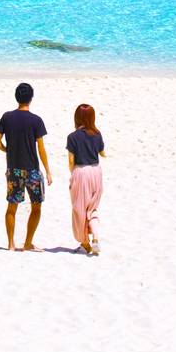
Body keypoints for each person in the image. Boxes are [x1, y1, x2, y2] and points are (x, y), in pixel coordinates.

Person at [0, 81, 53, 251]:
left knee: (12, 206)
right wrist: (47, 171)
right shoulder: (36, 120)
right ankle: (27, 243)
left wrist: (7, 150)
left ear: (16, 98)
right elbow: (41, 148)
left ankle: (10, 244)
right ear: (31, 99)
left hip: (13, 169)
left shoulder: (6, 117)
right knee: (36, 206)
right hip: (32, 170)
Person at [66, 102, 106, 255]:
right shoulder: (97, 134)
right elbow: (102, 153)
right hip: (96, 172)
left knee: (79, 210)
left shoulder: (72, 137)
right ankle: (95, 237)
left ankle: (85, 244)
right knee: (92, 209)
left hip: (81, 172)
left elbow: (71, 161)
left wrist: (73, 174)